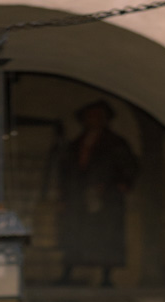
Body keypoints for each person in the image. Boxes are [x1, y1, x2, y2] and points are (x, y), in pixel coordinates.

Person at [58, 100, 140, 286]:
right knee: (75, 233)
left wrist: (119, 184)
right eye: (90, 116)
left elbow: (129, 167)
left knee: (106, 237)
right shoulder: (75, 144)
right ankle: (68, 273)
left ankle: (106, 277)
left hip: (106, 199)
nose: (93, 120)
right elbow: (66, 171)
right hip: (77, 198)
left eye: (97, 116)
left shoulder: (116, 143)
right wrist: (64, 197)